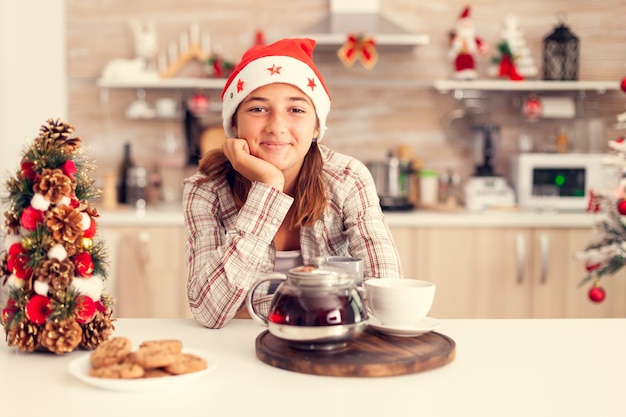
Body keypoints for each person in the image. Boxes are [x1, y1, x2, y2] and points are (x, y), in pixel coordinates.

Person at [182, 38, 402, 329]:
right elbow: (209, 311)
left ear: (315, 127)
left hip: (326, 347)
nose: (277, 125)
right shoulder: (205, 189)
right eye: (258, 109)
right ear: (234, 124)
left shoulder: (349, 178)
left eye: (296, 110)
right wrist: (269, 187)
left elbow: (386, 294)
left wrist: (253, 308)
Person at [448, 6, 488, 80]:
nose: (466, 27)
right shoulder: (457, 38)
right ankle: (460, 75)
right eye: (464, 25)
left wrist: (482, 49)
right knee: (460, 68)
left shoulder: (473, 38)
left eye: (467, 25)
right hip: (460, 58)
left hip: (470, 58)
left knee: (470, 69)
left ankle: (470, 75)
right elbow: (452, 43)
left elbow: (481, 45)